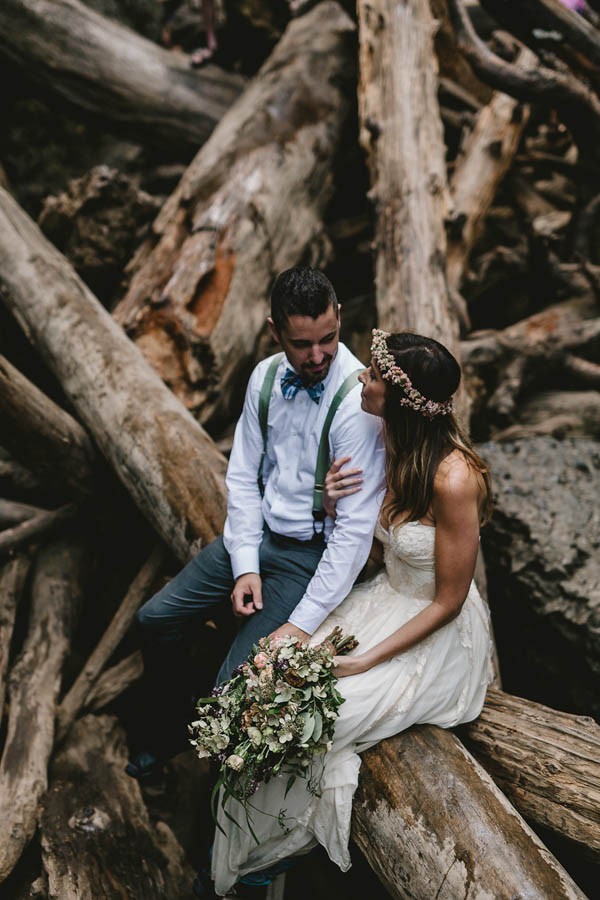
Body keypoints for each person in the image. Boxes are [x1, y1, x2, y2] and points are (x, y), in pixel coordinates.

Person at [210, 329, 494, 897]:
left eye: (373, 377)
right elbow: (371, 550)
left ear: (400, 398)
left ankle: (279, 845)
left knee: (326, 716)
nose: (361, 380)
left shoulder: (454, 479)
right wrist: (337, 504)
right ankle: (250, 845)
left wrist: (365, 662)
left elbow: (448, 600)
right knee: (273, 686)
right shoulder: (390, 441)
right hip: (382, 596)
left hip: (431, 630)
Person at [126, 266, 385, 779]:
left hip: (309, 556)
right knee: (152, 621)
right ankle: (170, 727)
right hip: (256, 537)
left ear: (339, 320)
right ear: (274, 332)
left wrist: (300, 625)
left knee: (236, 691)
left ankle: (214, 795)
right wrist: (245, 563)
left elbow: (353, 538)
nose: (318, 356)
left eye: (328, 339)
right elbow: (243, 475)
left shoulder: (357, 405)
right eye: (302, 344)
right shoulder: (265, 376)